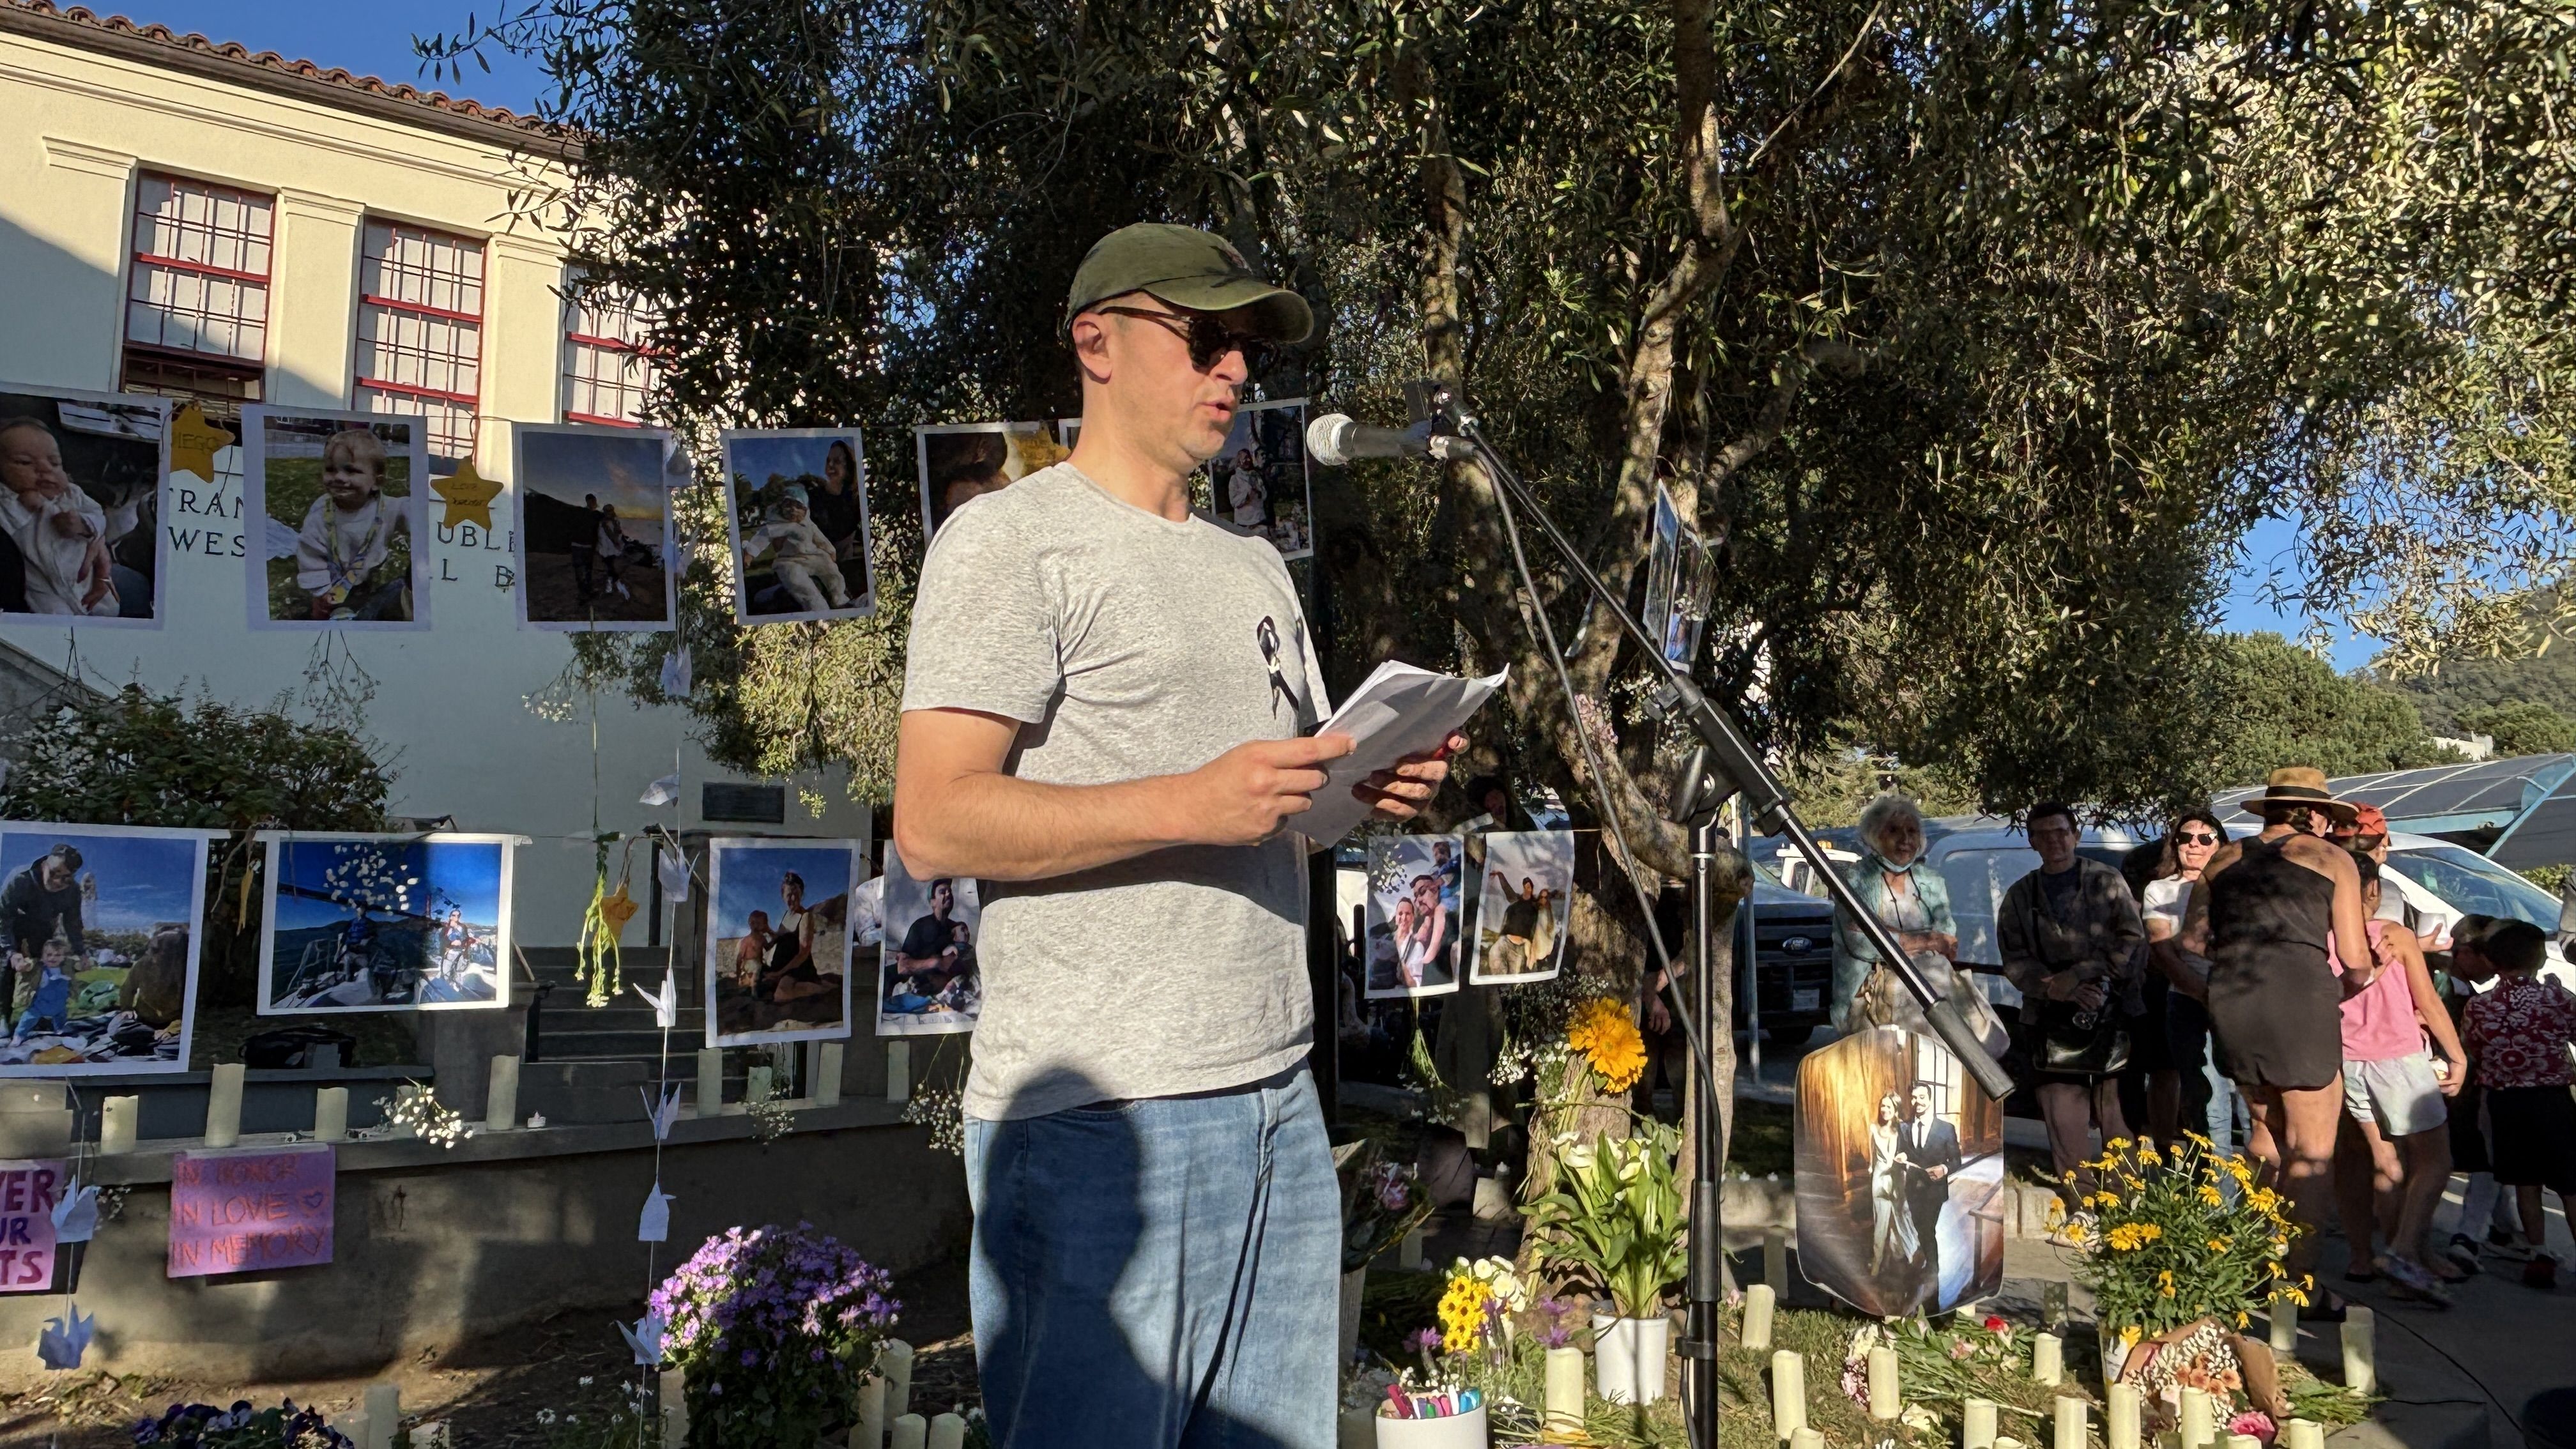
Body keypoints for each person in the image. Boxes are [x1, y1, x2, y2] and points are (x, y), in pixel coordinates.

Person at [892, 221, 1455, 1449]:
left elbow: (1278, 820)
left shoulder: (1253, 566)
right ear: (1095, 340)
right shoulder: (1006, 541)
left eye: (1244, 346)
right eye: (1204, 338)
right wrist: (1187, 801)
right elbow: (935, 821)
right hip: (1102, 1127)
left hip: (1278, 1100)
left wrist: (1365, 788)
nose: (1236, 372)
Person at [2180, 766, 2395, 1295]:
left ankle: (2253, 1260)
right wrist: (2368, 976)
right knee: (2312, 1151)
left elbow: (2189, 941)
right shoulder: (2332, 859)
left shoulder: (2224, 859)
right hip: (2300, 999)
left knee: (2266, 1139)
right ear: (2317, 815)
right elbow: (2354, 957)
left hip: (2234, 998)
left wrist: (2228, 965)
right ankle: (2298, 1283)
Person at [2333, 854, 2469, 1301]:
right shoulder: (2395, 935)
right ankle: (2405, 1251)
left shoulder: (2321, 939)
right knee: (2434, 1160)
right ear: (2373, 891)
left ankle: (2382, 1254)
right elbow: (2428, 1002)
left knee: (2379, 1161)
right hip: (2399, 1057)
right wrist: (2457, 1056)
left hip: (2349, 1062)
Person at [1997, 802, 2144, 1208]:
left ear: (2076, 835)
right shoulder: (2020, 895)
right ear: (2032, 842)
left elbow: (2132, 940)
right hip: (2049, 1017)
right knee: (2064, 1120)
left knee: (2116, 1116)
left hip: (2109, 1010)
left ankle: (2123, 1203)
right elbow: (2014, 958)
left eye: (2061, 832)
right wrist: (2054, 988)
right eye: (2044, 834)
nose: (2054, 841)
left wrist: (2086, 976)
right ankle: (2081, 1205)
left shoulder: (2106, 881)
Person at [2460, 917, 2576, 1285]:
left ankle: (2539, 1253)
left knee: (2526, 1180)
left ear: (2492, 962)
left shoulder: (2480, 1007)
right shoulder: (2556, 998)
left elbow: (2475, 1048)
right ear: (2540, 958)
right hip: (2552, 1099)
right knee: (2570, 1182)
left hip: (2505, 1102)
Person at [2143, 810, 2241, 1154]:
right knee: (2206, 1101)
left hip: (2241, 1001)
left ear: (2221, 844)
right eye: (2186, 838)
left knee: (2251, 1102)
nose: (2194, 845)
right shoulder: (2160, 891)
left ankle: (2263, 1197)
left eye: (2205, 838)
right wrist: (2204, 995)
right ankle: (2216, 1198)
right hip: (2187, 1001)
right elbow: (2165, 953)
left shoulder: (2240, 888)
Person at [2433, 916, 2524, 1267]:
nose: (2495, 964)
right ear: (2466, 953)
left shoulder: (2460, 990)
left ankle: (2502, 1226)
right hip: (2461, 1091)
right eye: (2489, 955)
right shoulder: (2453, 994)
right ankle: (2469, 1233)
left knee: (2489, 1158)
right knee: (2485, 1161)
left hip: (2463, 1089)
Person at [1830, 793, 1958, 1031]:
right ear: (1875, 836)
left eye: (1912, 831)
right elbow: (1862, 941)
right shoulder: (1856, 878)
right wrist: (1927, 940)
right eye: (1894, 831)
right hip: (1870, 996)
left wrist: (1891, 935)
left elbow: (1948, 937)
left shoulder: (1930, 880)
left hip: (1930, 984)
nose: (1905, 840)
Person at [0, 418, 116, 615]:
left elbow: (98, 515)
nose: (45, 469)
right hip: (43, 585)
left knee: (110, 609)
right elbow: (7, 531)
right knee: (58, 618)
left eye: (54, 462)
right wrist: (25, 507)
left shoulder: (72, 493)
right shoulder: (6, 500)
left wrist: (83, 524)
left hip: (83, 578)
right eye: (25, 462)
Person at [294, 427, 409, 620]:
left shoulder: (386, 507)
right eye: (331, 469)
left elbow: (409, 510)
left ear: (376, 482)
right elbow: (310, 553)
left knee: (382, 595)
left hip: (367, 570)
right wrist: (322, 591)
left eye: (351, 471)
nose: (338, 477)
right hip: (332, 580)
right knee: (334, 617)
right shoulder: (321, 514)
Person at [1895, 1080, 1961, 1302]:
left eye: (1922, 1098)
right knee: (1920, 1227)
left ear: (1930, 1099)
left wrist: (1944, 1169)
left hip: (1934, 1190)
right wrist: (1902, 1158)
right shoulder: (1904, 1128)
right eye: (1914, 1098)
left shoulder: (1945, 1129)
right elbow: (1902, 1153)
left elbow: (1956, 1160)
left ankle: (1933, 1269)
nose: (1917, 1103)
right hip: (1913, 1188)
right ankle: (1927, 1262)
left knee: (1927, 1227)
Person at [747, 485, 852, 613]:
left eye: (798, 507)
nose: (793, 509)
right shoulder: (777, 525)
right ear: (781, 507)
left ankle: (839, 598)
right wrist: (750, 554)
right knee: (798, 582)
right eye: (788, 505)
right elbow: (762, 537)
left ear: (805, 510)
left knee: (832, 573)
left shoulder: (808, 525)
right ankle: (817, 607)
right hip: (789, 561)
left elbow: (820, 539)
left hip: (813, 557)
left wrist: (830, 551)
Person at [1867, 1090, 1919, 1280]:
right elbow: (1872, 1157)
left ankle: (1904, 1255)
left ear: (1896, 1108)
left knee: (1901, 1217)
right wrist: (1871, 1169)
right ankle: (1877, 1260)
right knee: (1880, 1222)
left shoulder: (1903, 1129)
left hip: (1897, 1178)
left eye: (1889, 1106)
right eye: (1882, 1106)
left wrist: (1905, 1161)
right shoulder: (1873, 1129)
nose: (1884, 1109)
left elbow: (1912, 1153)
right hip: (1880, 1178)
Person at [895, 878, 966, 995]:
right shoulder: (920, 926)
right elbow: (902, 967)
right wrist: (934, 963)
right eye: (943, 892)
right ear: (932, 901)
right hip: (920, 986)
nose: (948, 894)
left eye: (950, 891)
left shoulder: (956, 928)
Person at [10, 934, 74, 1043]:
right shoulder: (38, 969)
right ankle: (19, 1035)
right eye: (49, 955)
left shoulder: (66, 969)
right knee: (28, 1019)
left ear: (63, 958)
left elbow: (77, 966)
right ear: (43, 957)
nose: (53, 958)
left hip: (59, 1004)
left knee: (61, 1016)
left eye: (57, 955)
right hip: (40, 1004)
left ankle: (59, 1029)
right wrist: (23, 966)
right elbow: (28, 965)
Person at [569, 493, 604, 600]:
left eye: (594, 501)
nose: (593, 503)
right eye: (592, 501)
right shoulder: (591, 514)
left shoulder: (594, 514)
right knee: (582, 570)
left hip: (585, 546)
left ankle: (586, 591)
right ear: (588, 502)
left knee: (586, 570)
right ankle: (584, 593)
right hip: (581, 546)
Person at [1226, 447, 1266, 528]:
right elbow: (1234, 502)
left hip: (1258, 519)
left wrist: (1259, 491)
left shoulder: (1255, 475)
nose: (1248, 461)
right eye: (1245, 458)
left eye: (1249, 458)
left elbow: (1264, 495)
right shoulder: (1235, 479)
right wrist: (1247, 495)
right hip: (1243, 522)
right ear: (1239, 461)